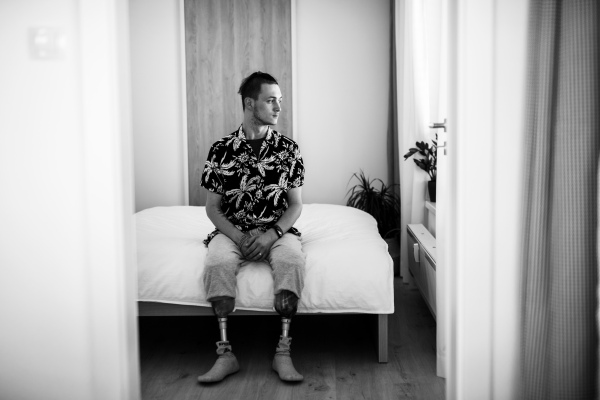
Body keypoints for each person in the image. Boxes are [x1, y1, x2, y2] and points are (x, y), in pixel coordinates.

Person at [197, 71, 306, 383]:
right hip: (233, 231)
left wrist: (272, 235)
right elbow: (212, 208)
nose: (278, 107)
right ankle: (225, 354)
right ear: (249, 103)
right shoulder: (221, 149)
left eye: (280, 101)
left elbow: (295, 205)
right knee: (217, 264)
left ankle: (283, 352)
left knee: (291, 262)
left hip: (277, 230)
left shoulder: (289, 149)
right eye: (271, 100)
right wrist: (239, 236)